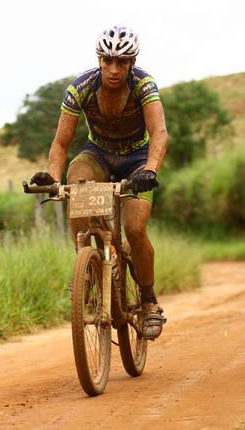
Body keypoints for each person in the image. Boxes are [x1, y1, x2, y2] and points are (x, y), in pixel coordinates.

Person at [30, 25, 168, 340]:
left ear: (132, 63)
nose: (114, 69)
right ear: (100, 60)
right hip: (98, 154)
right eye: (108, 61)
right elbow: (61, 143)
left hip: (137, 159)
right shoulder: (81, 88)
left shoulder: (144, 86)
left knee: (134, 229)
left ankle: (148, 302)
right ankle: (88, 271)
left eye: (122, 62)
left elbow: (159, 133)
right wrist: (52, 178)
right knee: (75, 183)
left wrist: (151, 169)